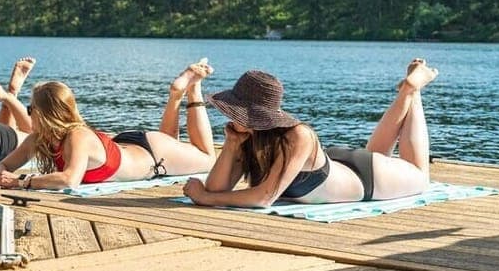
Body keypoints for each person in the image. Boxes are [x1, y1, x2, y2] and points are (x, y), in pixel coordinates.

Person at [182, 58, 438, 207]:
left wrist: (204, 197)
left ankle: (412, 91)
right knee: (376, 153)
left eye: (235, 110)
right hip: (339, 166)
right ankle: (406, 91)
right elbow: (217, 189)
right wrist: (232, 144)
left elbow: (264, 197)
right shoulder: (246, 135)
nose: (229, 116)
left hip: (367, 179)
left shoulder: (298, 135)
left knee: (419, 175)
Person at [0, 59, 217, 190]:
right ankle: (176, 95)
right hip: (131, 147)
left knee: (208, 159)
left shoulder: (78, 136)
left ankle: (193, 90)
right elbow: (4, 166)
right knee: (172, 140)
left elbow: (69, 180)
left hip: (153, 154)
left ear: (46, 115)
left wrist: (20, 182)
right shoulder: (38, 139)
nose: (29, 115)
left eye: (31, 110)